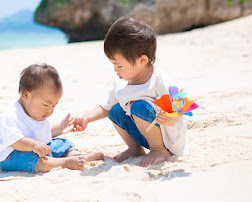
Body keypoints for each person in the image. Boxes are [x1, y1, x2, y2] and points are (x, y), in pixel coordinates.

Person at [70, 17, 189, 167]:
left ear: (142, 60)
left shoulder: (159, 80)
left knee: (139, 106)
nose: (115, 70)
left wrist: (171, 118)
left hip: (167, 139)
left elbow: (180, 107)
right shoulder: (122, 83)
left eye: (119, 65)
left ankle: (159, 150)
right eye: (113, 65)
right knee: (115, 110)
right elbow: (106, 107)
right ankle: (135, 149)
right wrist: (86, 117)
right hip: (145, 134)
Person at [0, 63, 104, 173]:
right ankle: (64, 162)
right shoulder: (11, 116)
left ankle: (78, 157)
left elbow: (45, 132)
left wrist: (61, 127)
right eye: (46, 105)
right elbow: (15, 141)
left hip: (37, 148)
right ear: (26, 95)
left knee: (63, 143)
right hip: (12, 155)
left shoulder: (36, 111)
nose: (50, 110)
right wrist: (34, 145)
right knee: (34, 160)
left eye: (54, 106)